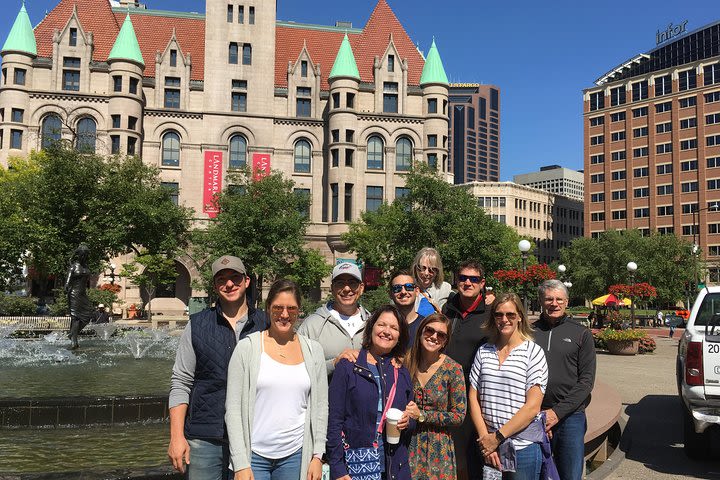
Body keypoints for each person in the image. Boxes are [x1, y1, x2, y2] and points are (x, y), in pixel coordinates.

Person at [168, 255, 268, 480]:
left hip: (255, 435)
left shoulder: (265, 324)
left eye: (235, 278)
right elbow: (181, 382)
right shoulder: (197, 325)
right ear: (214, 286)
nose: (229, 284)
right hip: (205, 436)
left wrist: (334, 363)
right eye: (222, 279)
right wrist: (176, 437)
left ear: (247, 281)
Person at [226, 279, 327, 480]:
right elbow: (233, 409)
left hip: (296, 456)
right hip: (253, 456)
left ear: (299, 310)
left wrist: (317, 455)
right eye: (278, 307)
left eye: (291, 308)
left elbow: (321, 407)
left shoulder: (313, 350)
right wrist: (240, 462)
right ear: (268, 308)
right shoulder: (247, 348)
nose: (284, 314)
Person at [327, 305, 414, 480]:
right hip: (355, 465)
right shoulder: (349, 366)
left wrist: (409, 420)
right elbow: (334, 420)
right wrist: (337, 467)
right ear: (371, 327)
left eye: (394, 328)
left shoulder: (401, 371)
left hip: (394, 466)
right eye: (382, 325)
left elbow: (410, 420)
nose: (386, 331)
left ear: (400, 337)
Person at [468, 293, 548, 480]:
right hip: (488, 445)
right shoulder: (484, 351)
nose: (504, 319)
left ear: (520, 316)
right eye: (499, 314)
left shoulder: (533, 352)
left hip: (522, 447)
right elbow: (473, 396)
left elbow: (532, 407)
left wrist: (497, 438)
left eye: (510, 314)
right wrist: (485, 441)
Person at [533, 280, 596, 480]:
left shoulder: (581, 333)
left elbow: (586, 381)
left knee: (569, 474)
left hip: (570, 417)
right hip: (533, 414)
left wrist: (556, 413)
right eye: (549, 299)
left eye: (559, 299)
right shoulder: (528, 332)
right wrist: (540, 414)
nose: (554, 303)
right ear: (541, 301)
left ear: (566, 302)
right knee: (538, 473)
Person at [442, 260, 490, 480]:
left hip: (476, 398)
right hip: (446, 395)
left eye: (474, 279)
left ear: (482, 283)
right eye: (463, 278)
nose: (467, 283)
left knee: (473, 460)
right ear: (456, 281)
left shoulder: (491, 313)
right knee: (451, 457)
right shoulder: (448, 309)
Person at [404, 313, 466, 480]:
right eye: (429, 330)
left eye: (441, 335)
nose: (434, 337)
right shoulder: (406, 362)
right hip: (407, 442)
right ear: (420, 331)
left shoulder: (453, 369)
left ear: (445, 341)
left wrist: (423, 416)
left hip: (439, 447)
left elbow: (459, 416)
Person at [297, 262, 369, 376]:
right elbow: (298, 369)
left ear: (361, 288)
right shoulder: (312, 325)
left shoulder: (374, 323)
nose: (346, 288)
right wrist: (334, 364)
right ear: (332, 288)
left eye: (352, 283)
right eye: (340, 283)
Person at [65, 244, 95, 349]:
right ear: (80, 255)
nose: (85, 257)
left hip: (83, 294)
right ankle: (74, 341)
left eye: (87, 255)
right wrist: (67, 289)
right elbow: (67, 283)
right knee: (76, 317)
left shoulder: (86, 267)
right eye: (84, 254)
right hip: (74, 293)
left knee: (89, 315)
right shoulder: (73, 267)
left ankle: (72, 334)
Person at [388, 269, 424, 348]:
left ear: (417, 291)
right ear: (391, 294)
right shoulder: (384, 327)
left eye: (409, 287)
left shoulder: (425, 326)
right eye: (397, 288)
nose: (403, 292)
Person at [412, 248, 453, 317]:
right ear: (415, 268)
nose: (426, 273)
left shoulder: (445, 288)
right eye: (422, 268)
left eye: (432, 270)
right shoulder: (407, 289)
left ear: (437, 271)